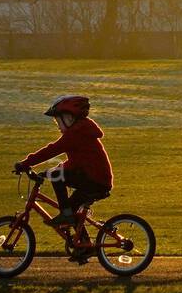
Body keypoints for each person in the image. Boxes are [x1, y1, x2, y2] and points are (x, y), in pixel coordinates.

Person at [14, 95, 114, 234]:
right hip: (96, 180)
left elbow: (51, 150)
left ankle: (66, 215)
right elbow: (76, 163)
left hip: (94, 180)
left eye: (58, 121)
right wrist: (50, 170)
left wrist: (25, 163)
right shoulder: (81, 131)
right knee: (72, 212)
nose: (58, 126)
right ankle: (83, 247)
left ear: (69, 118)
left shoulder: (76, 133)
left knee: (57, 177)